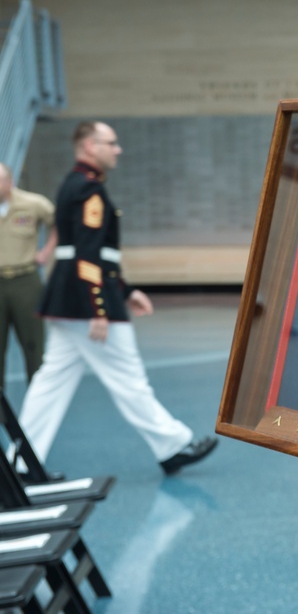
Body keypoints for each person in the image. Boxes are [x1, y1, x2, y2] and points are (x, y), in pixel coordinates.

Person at [14, 121, 217, 478]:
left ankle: (21, 464)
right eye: (112, 143)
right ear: (91, 146)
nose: (118, 149)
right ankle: (172, 446)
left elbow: (93, 254)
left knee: (51, 383)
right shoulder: (89, 190)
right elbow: (88, 254)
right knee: (128, 378)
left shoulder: (73, 184)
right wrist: (100, 308)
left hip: (68, 301)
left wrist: (125, 290)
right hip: (85, 304)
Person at [0, 162, 56, 387]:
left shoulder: (33, 204)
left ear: (10, 182)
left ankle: (38, 405)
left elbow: (59, 223)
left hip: (25, 281)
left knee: (33, 345)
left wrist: (46, 251)